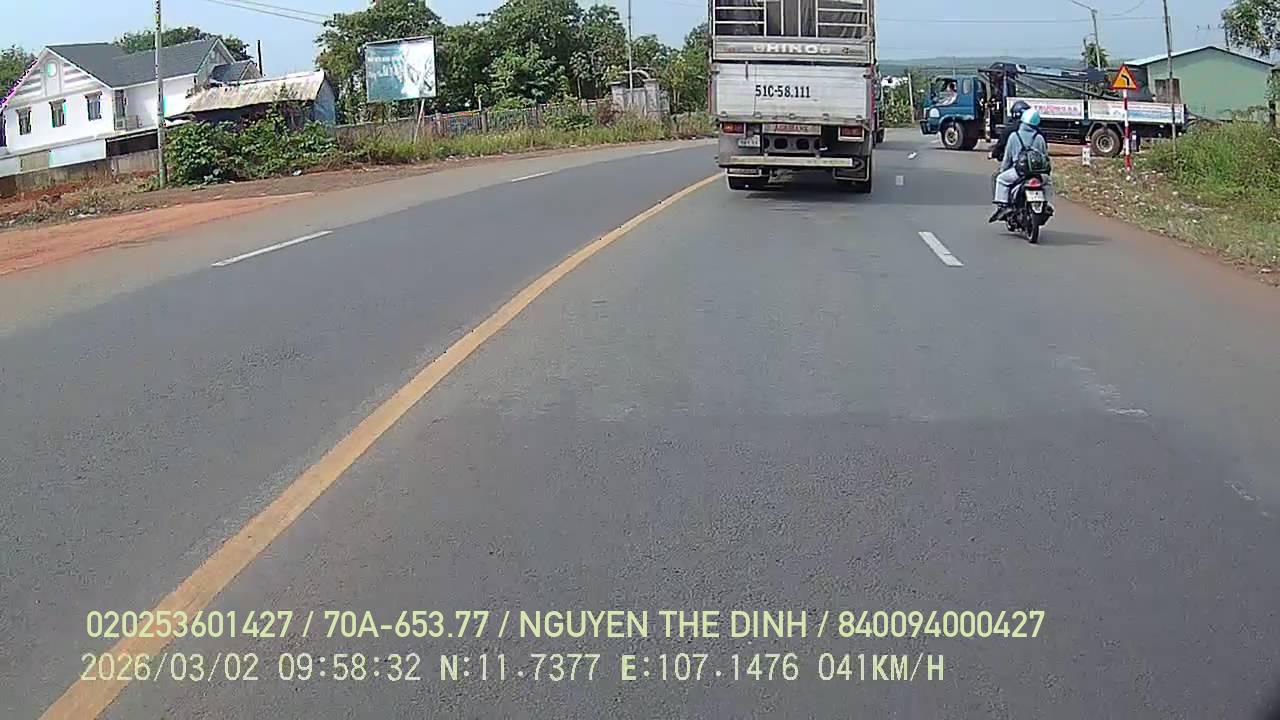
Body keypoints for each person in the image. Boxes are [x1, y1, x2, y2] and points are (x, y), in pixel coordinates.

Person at [989, 108, 1048, 222]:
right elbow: (1044, 156)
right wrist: (1046, 173)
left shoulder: (1014, 136)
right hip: (1036, 173)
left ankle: (1003, 206)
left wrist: (1003, 170)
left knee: (1001, 179)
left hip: (1019, 171)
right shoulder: (1039, 138)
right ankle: (1046, 204)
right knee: (1047, 184)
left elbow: (1007, 157)